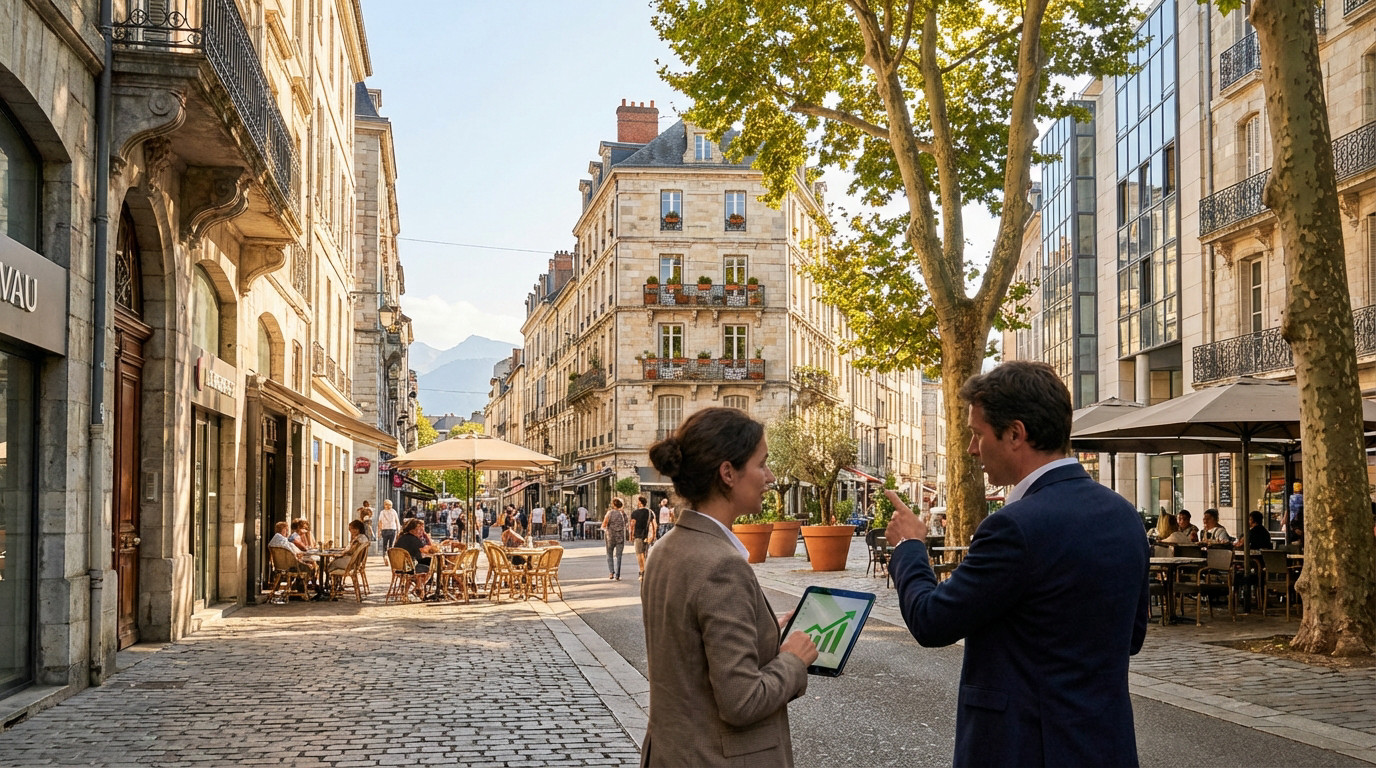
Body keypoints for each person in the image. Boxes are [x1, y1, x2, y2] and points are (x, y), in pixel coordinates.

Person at [884, 361, 1147, 767]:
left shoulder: (1014, 526)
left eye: (977, 434)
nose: (972, 449)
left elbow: (932, 621)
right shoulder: (1124, 515)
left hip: (1023, 747)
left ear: (1015, 434)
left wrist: (909, 548)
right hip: (1105, 745)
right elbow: (1131, 636)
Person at [640, 406, 818, 766]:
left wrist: (765, 632)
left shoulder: (665, 548)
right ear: (728, 473)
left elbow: (690, 652)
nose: (769, 476)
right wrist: (793, 662)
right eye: (761, 463)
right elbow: (743, 700)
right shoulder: (721, 565)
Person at [268, 521, 324, 600]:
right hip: (291, 565)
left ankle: (299, 589)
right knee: (311, 567)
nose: (287, 532)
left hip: (280, 565)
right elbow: (296, 551)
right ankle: (303, 590)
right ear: (283, 530)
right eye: (286, 530)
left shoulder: (273, 541)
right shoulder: (284, 540)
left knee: (308, 564)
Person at [395, 518, 437, 598]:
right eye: (419, 529)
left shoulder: (401, 537)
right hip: (409, 568)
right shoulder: (414, 540)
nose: (421, 532)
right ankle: (419, 587)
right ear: (412, 530)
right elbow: (423, 553)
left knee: (424, 564)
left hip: (398, 567)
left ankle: (414, 588)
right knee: (430, 566)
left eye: (422, 530)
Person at [602, 499, 629, 580]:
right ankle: (617, 574)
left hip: (610, 536)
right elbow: (626, 524)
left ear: (614, 505)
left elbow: (604, 524)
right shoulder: (623, 514)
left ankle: (611, 572)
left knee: (609, 554)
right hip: (620, 536)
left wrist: (605, 529)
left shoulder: (610, 513)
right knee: (619, 556)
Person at [630, 495, 655, 578]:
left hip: (638, 535)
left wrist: (631, 535)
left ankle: (642, 570)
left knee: (639, 554)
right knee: (645, 554)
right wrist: (653, 535)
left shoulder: (635, 513)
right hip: (647, 536)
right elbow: (654, 524)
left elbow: (632, 525)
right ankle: (646, 570)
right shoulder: (650, 512)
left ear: (640, 503)